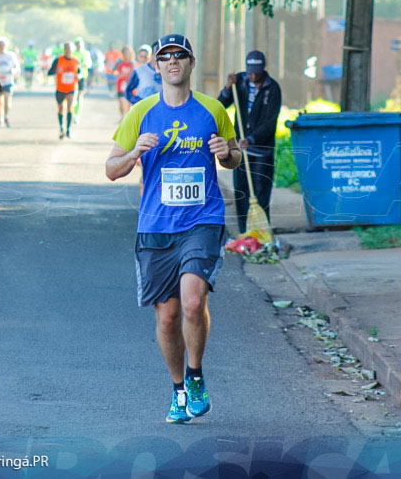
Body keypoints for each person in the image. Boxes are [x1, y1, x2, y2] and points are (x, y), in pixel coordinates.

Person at [105, 33, 241, 424]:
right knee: (167, 316)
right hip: (156, 226)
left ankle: (196, 377)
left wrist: (227, 153)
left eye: (180, 55)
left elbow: (232, 157)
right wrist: (133, 154)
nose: (172, 62)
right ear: (156, 66)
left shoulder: (213, 109)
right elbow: (111, 170)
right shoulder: (141, 112)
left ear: (191, 63)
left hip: (202, 220)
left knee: (194, 302)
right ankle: (178, 389)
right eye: (165, 57)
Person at [217, 51, 283, 235]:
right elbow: (220, 105)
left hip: (262, 152)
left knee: (260, 194)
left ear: (263, 69)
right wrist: (228, 89)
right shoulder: (239, 81)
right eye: (250, 71)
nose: (253, 76)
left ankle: (261, 234)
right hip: (240, 151)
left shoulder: (273, 88)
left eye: (257, 72)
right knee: (242, 193)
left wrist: (252, 139)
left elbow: (270, 122)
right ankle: (244, 234)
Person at [47, 42, 79, 139]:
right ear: (64, 50)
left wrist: (79, 76)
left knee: (70, 107)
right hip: (60, 89)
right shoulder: (58, 60)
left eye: (70, 48)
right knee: (61, 108)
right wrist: (57, 71)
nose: (68, 50)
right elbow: (49, 72)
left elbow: (79, 72)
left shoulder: (75, 61)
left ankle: (68, 130)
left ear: (72, 50)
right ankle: (61, 128)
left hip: (71, 88)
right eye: (66, 48)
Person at [0, 36, 20, 127]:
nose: (1, 46)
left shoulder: (11, 55)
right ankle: (0, 119)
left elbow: (17, 67)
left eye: (3, 45)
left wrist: (13, 71)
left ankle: (6, 116)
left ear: (6, 45)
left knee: (7, 100)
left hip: (8, 81)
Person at [72, 37, 92, 123]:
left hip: (82, 77)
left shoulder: (86, 53)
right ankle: (73, 111)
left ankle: (77, 115)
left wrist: (83, 64)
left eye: (79, 43)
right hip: (73, 77)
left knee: (80, 96)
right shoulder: (73, 53)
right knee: (73, 96)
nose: (78, 45)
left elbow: (89, 64)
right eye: (76, 43)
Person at [115, 45, 136, 119]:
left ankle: (126, 118)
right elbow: (114, 71)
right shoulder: (119, 62)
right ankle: (122, 116)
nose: (126, 54)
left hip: (130, 86)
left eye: (128, 52)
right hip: (120, 85)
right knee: (121, 102)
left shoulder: (133, 63)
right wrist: (118, 74)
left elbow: (134, 75)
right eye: (125, 52)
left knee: (128, 104)